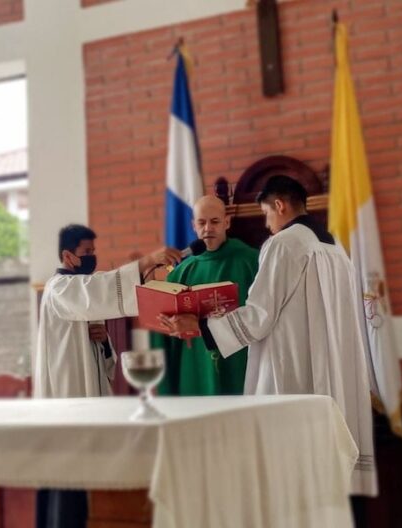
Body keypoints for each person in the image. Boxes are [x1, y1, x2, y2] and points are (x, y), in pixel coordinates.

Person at [160, 176, 377, 497]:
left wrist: (201, 325)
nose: (267, 224)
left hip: (296, 371)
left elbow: (259, 315)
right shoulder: (335, 247)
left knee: (291, 477)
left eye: (265, 214)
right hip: (333, 366)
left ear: (279, 205)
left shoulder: (283, 244)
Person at [34, 224, 180, 528]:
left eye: (94, 251)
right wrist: (145, 261)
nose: (93, 257)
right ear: (68, 256)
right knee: (68, 481)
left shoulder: (78, 288)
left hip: (87, 393)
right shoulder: (59, 287)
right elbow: (97, 290)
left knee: (87, 479)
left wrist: (103, 342)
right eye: (86, 252)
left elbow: (101, 354)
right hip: (67, 399)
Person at [154, 195, 259, 395]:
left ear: (227, 222)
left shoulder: (252, 262)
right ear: (193, 226)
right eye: (202, 223)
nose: (208, 228)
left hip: (239, 360)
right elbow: (164, 332)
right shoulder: (180, 272)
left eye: (215, 221)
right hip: (194, 362)